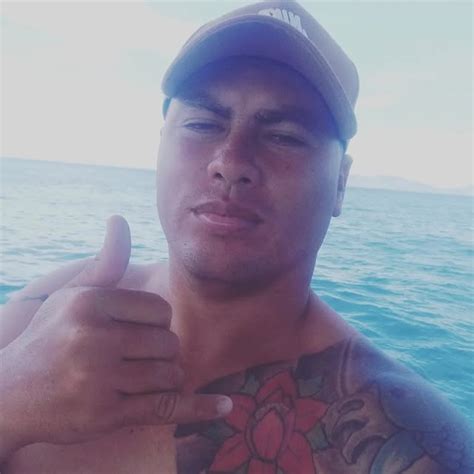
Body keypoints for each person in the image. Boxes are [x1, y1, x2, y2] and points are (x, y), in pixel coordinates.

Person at [0, 1, 472, 473]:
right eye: (203, 124)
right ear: (160, 145)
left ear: (341, 185)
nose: (230, 162)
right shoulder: (43, 320)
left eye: (285, 136)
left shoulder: (407, 447)